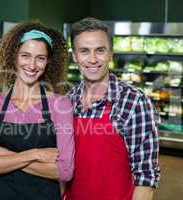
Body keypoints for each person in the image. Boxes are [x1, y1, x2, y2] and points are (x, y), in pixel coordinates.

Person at [0, 21, 75, 200]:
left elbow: (65, 171)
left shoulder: (60, 105)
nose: (32, 65)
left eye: (40, 58)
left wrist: (3, 155)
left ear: (48, 62)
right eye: (25, 55)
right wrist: (34, 155)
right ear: (14, 57)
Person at [65, 18, 160, 200]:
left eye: (100, 50)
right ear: (75, 56)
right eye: (84, 51)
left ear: (110, 53)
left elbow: (146, 178)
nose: (92, 59)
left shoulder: (134, 102)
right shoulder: (67, 102)